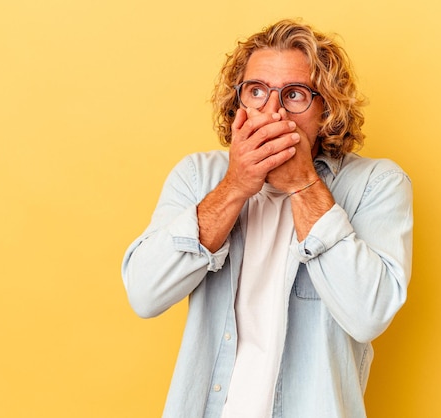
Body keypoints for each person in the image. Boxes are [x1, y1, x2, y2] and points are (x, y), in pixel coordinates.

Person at [122, 19, 413, 418]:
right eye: (256, 91)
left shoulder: (376, 185)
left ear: (325, 108)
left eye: (294, 94)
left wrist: (304, 185)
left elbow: (369, 315)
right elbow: (144, 293)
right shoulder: (198, 176)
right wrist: (235, 186)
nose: (272, 111)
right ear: (237, 102)